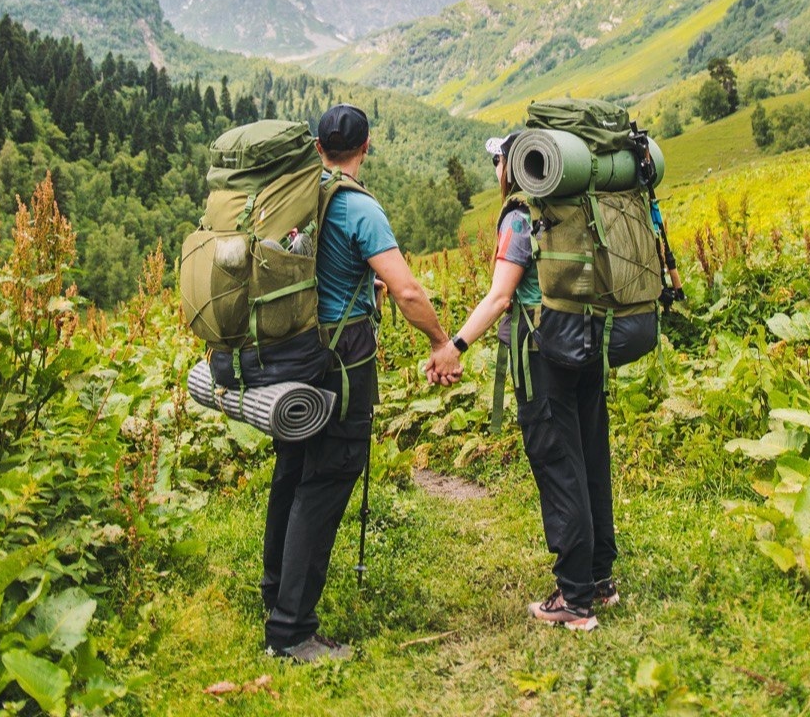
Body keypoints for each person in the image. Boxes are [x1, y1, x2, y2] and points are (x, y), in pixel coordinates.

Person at [263, 103, 462, 661]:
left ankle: (274, 593)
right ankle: (291, 632)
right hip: (341, 360)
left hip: (292, 352)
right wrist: (440, 342)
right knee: (326, 480)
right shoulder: (357, 206)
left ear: (319, 146)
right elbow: (407, 291)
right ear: (365, 146)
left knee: (294, 469)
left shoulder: (298, 195)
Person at [427, 132, 618, 631]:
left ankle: (575, 600)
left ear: (514, 165)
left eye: (497, 159)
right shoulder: (574, 206)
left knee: (559, 466)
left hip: (543, 354)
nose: (496, 168)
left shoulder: (520, 216)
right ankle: (599, 578)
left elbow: (499, 298)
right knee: (591, 457)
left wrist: (455, 346)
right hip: (588, 342)